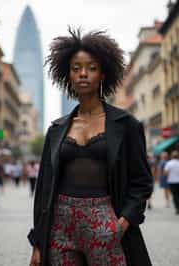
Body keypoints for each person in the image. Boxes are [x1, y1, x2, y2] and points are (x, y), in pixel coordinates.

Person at [28, 28, 153, 266]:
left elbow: (142, 182)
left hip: (105, 224)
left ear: (103, 74)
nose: (83, 74)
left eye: (91, 68)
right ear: (68, 75)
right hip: (60, 228)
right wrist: (37, 242)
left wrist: (121, 224)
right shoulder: (56, 130)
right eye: (76, 68)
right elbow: (43, 190)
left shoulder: (125, 125)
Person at [164, 150, 179, 214]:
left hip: (172, 181)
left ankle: (177, 208)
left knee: (175, 195)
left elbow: (165, 173)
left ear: (172, 156)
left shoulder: (169, 163)